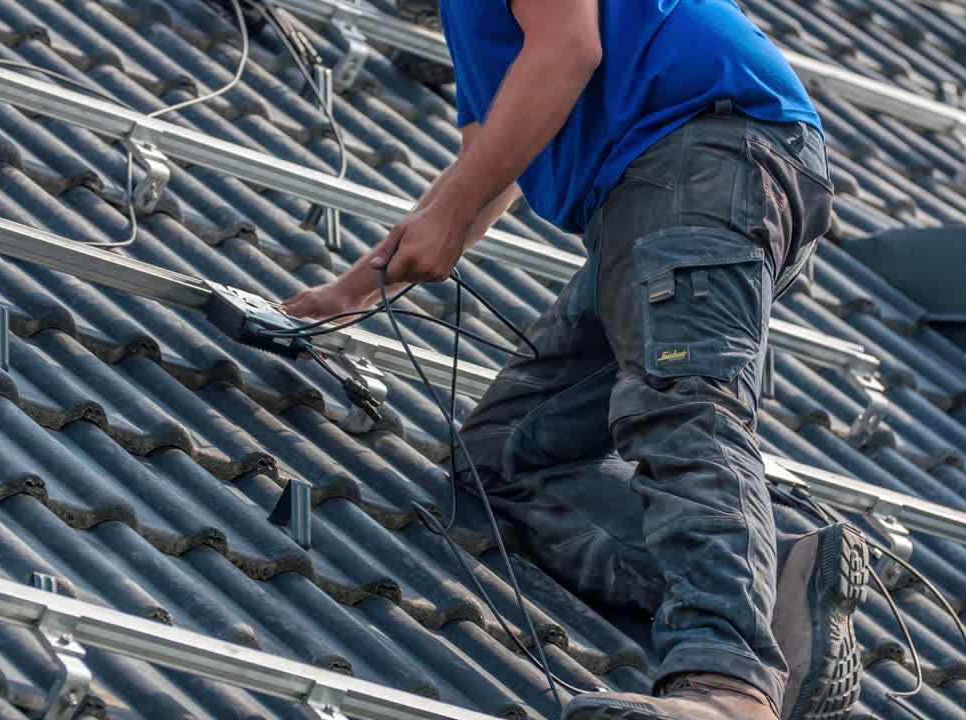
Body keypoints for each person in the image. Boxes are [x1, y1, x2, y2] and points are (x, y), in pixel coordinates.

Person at [284, 2, 868, 718]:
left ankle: (729, 685)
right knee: (507, 458)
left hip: (705, 154)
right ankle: (775, 582)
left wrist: (440, 225)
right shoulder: (471, 21)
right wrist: (360, 286)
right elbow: (495, 154)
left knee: (681, 403)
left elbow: (567, 50)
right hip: (675, 180)